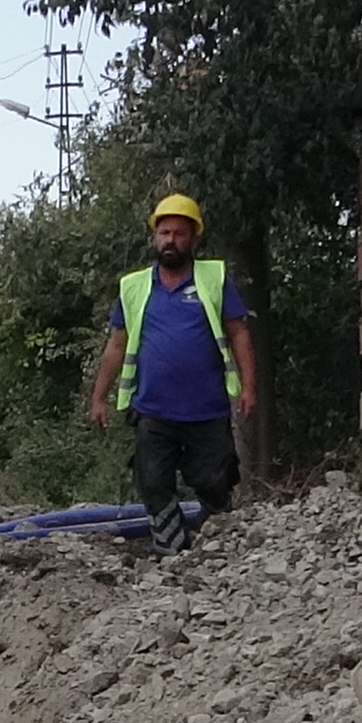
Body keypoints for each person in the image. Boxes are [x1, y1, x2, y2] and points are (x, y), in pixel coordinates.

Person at [84, 193, 262, 534]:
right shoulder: (133, 287)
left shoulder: (214, 278)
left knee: (213, 479)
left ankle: (216, 538)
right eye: (164, 233)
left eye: (180, 234)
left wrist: (249, 388)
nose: (171, 241)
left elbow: (239, 333)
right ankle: (170, 550)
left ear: (194, 238)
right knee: (152, 483)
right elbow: (117, 343)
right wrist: (99, 397)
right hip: (153, 409)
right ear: (154, 237)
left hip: (207, 409)